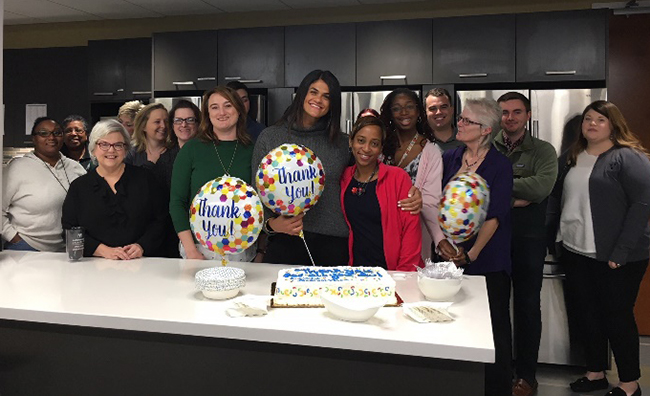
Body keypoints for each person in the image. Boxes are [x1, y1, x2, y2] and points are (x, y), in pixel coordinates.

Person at [547, 101, 649, 396]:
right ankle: (595, 374)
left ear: (613, 125)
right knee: (587, 315)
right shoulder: (572, 156)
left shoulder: (628, 158)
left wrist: (621, 252)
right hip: (577, 251)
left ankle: (630, 383)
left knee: (617, 317)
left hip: (619, 256)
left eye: (600, 120)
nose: (592, 124)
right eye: (588, 119)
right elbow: (555, 195)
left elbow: (642, 205)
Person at [438, 98, 514, 396]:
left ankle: (496, 389)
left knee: (493, 330)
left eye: (466, 121)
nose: (459, 123)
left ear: (485, 130)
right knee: (455, 325)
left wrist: (469, 255)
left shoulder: (500, 165)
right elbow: (440, 201)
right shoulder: (451, 158)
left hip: (487, 260)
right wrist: (445, 246)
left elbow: (494, 216)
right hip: (448, 257)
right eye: (461, 118)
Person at [493, 92, 558, 396]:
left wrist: (499, 185)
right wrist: (518, 195)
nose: (510, 118)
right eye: (505, 112)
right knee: (496, 309)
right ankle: (501, 372)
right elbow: (477, 183)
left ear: (528, 115)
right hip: (494, 239)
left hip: (529, 242)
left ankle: (527, 377)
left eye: (517, 112)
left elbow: (542, 187)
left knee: (527, 307)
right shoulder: (487, 144)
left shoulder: (543, 151)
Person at [170, 86, 255, 261]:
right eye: (214, 107)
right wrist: (191, 250)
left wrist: (261, 251)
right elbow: (177, 203)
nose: (221, 112)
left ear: (239, 109)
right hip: (199, 250)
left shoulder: (252, 150)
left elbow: (260, 204)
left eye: (228, 106)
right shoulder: (191, 150)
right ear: (207, 114)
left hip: (243, 250)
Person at [62, 120, 166, 260]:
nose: (111, 150)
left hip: (142, 263)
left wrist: (142, 246)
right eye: (104, 144)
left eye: (118, 145)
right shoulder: (79, 187)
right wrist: (102, 250)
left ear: (126, 149)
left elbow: (161, 220)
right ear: (93, 148)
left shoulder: (146, 179)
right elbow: (68, 229)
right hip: (94, 266)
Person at [341, 115, 422, 270]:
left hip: (392, 271)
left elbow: (411, 230)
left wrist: (404, 275)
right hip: (356, 272)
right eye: (361, 141)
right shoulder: (344, 177)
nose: (366, 149)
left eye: (374, 143)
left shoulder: (397, 178)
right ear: (351, 141)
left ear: (381, 148)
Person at [378, 88, 445, 261]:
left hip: (414, 234)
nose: (404, 112)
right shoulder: (380, 146)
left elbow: (431, 202)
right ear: (390, 114)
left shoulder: (431, 152)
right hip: (378, 231)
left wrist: (440, 240)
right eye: (397, 108)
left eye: (409, 106)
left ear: (418, 111)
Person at [2, 117, 86, 251]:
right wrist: (15, 239)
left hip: (67, 248)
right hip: (26, 247)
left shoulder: (75, 168)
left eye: (57, 133)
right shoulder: (17, 168)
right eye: (43, 133)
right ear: (34, 138)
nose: (51, 137)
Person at [125, 102, 178, 190]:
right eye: (157, 122)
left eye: (166, 121)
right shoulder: (132, 155)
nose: (163, 126)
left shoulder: (176, 153)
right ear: (143, 126)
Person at [424, 88, 464, 152]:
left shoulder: (467, 141)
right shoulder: (419, 144)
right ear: (425, 113)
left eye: (443, 107)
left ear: (452, 110)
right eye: (433, 108)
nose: (438, 112)